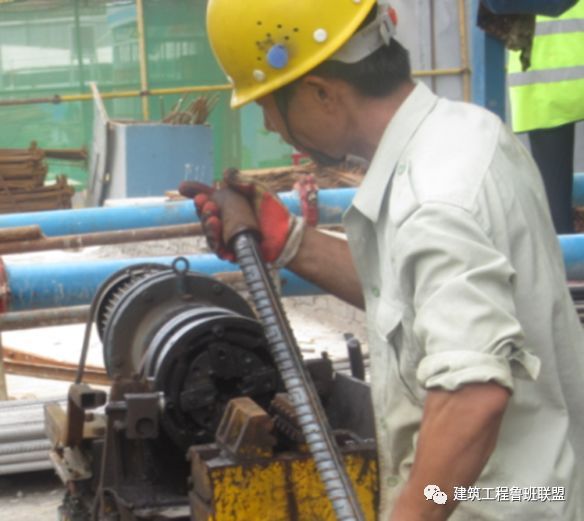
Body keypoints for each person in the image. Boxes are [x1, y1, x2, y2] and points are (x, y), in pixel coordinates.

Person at [180, 1, 584, 519]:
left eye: (267, 105)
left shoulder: (434, 200)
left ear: (322, 92)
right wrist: (291, 243)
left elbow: (473, 396)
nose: (270, 125)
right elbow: (418, 303)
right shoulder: (466, 132)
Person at [507, 0, 584, 234]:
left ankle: (562, 254)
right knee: (554, 211)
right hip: (542, 78)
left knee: (555, 212)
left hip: (540, 79)